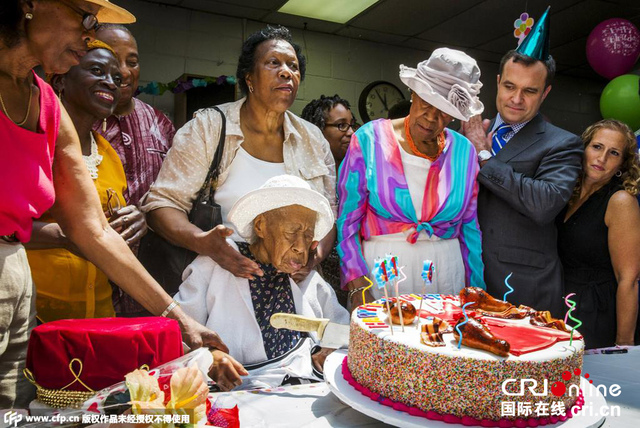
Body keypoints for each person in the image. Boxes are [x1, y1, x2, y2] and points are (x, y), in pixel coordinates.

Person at [0, 0, 225, 408]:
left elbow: (94, 230)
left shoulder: (47, 103)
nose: (90, 34)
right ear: (31, 5)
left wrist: (180, 319)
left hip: (15, 283)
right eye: (85, 17)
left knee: (14, 410)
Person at [142, 26, 337, 288]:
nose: (286, 72)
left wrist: (313, 257)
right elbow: (161, 206)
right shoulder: (209, 127)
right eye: (273, 63)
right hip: (221, 280)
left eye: (293, 66)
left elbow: (328, 215)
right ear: (249, 78)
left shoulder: (313, 140)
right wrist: (204, 242)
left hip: (294, 285)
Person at [338, 48, 486, 310]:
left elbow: (470, 229)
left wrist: (477, 289)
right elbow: (347, 223)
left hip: (447, 278)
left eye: (443, 111)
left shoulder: (464, 152)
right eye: (426, 103)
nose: (431, 117)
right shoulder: (369, 140)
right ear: (413, 93)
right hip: (384, 279)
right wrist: (358, 284)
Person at [175, 175, 349, 391]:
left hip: (303, 393)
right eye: (292, 232)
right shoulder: (218, 263)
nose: (301, 247)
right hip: (234, 395)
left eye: (308, 236)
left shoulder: (307, 279)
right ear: (260, 226)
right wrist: (210, 357)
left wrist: (329, 349)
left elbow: (344, 333)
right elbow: (178, 332)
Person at [26, 41, 147, 322]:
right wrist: (67, 235)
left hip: (99, 315)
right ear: (60, 81)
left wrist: (137, 220)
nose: (112, 83)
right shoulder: (34, 143)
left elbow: (107, 227)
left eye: (117, 78)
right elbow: (7, 225)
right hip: (34, 314)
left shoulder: (110, 155)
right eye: (96, 70)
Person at [461, 41, 583, 317]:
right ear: (498, 81)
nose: (516, 99)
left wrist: (483, 154)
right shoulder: (471, 132)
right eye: (509, 86)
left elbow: (544, 203)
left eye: (529, 91)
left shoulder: (563, 143)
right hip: (464, 277)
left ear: (545, 93)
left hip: (523, 285)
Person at [93, 23, 176, 317]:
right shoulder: (74, 121)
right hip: (89, 277)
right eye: (113, 60)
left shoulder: (161, 124)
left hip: (153, 282)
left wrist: (149, 216)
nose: (124, 71)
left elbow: (180, 195)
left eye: (133, 61)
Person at [557, 119, 640, 349]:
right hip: (560, 305)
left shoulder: (620, 201)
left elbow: (628, 280)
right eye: (597, 147)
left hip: (596, 314)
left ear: (622, 164)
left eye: (613, 153)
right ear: (583, 148)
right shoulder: (567, 191)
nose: (602, 158)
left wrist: (624, 346)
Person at [301, 94, 358, 305]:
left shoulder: (356, 172)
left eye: (352, 125)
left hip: (351, 270)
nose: (351, 133)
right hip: (315, 270)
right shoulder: (305, 175)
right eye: (341, 126)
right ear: (317, 130)